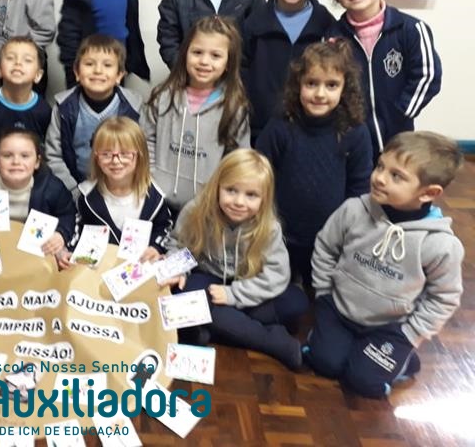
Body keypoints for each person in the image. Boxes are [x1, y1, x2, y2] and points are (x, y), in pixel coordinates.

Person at [304, 131, 464, 398]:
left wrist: (410, 334)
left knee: (364, 383)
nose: (379, 177)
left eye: (396, 176)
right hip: (339, 310)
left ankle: (403, 360)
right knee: (324, 363)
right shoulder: (354, 210)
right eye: (380, 166)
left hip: (389, 329)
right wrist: (323, 293)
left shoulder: (440, 245)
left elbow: (444, 298)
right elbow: (325, 247)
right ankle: (344, 345)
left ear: (429, 192)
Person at [164, 149, 308, 370]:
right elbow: (178, 244)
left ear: (264, 198)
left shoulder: (269, 227)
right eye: (231, 190)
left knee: (296, 303)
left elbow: (276, 276)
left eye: (251, 195)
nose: (239, 202)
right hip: (207, 278)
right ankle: (273, 342)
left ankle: (209, 326)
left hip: (245, 283)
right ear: (218, 186)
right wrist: (178, 270)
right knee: (180, 297)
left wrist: (233, 295)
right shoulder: (196, 210)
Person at [256, 41, 372, 286]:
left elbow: (359, 188)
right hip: (280, 235)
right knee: (280, 292)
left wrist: (347, 231)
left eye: (331, 85)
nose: (320, 94)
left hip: (330, 239)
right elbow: (259, 174)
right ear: (298, 84)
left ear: (345, 87)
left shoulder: (355, 132)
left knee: (321, 294)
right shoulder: (280, 126)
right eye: (311, 83)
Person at [327, 0, 442, 157]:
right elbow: (327, 82)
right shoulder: (332, 37)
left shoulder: (411, 29)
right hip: (352, 137)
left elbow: (427, 76)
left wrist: (401, 112)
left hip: (398, 133)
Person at [142, 16, 250, 213]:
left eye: (215, 55)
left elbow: (237, 159)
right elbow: (145, 139)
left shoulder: (234, 106)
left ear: (228, 62)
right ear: (185, 54)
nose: (204, 61)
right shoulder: (162, 95)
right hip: (156, 200)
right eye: (197, 52)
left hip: (206, 207)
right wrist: (152, 178)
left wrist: (218, 193)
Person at [242, 0, 335, 141]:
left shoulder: (326, 24)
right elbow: (241, 72)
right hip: (260, 127)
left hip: (310, 129)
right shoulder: (254, 24)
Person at [0, 128, 76, 266]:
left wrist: (61, 234)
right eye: (7, 155)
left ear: (37, 162)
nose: (16, 161)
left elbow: (67, 213)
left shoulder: (51, 188)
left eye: (25, 156)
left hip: (34, 256)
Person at [66, 117, 172, 269]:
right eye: (106, 154)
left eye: (125, 154)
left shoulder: (154, 198)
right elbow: (76, 228)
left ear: (140, 155)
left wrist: (156, 247)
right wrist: (70, 251)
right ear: (96, 157)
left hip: (138, 271)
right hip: (97, 271)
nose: (116, 161)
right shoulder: (86, 196)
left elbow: (164, 228)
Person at [45, 35, 142, 195]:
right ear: (77, 72)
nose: (98, 70)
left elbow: (142, 155)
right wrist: (74, 191)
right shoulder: (64, 108)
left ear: (119, 75)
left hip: (122, 191)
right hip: (74, 190)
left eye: (107, 65)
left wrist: (125, 190)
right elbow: (54, 156)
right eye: (89, 64)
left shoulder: (134, 109)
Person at [0, 37, 52, 157]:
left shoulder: (44, 111)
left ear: (38, 75)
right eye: (10, 58)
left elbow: (47, 153)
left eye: (27, 60)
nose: (18, 63)